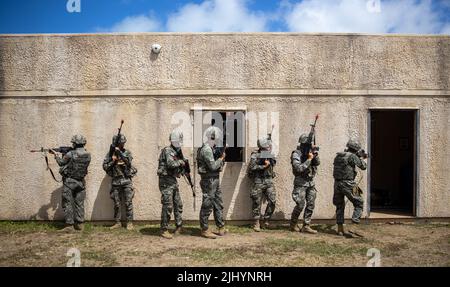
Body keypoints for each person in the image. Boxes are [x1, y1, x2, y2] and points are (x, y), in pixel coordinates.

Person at [50, 134, 91, 232]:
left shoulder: (70, 154)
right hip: (81, 182)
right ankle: (80, 224)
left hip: (70, 182)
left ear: (75, 143)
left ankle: (69, 225)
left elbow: (61, 163)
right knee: (79, 203)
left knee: (67, 202)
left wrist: (56, 155)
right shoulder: (88, 154)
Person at [332, 139, 368, 236]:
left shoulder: (338, 155)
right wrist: (361, 158)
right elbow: (363, 167)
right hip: (349, 183)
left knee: (339, 206)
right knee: (360, 201)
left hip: (337, 183)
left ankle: (340, 229)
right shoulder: (353, 156)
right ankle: (354, 227)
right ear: (356, 149)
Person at [196, 126, 226, 239]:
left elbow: (217, 167)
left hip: (214, 179)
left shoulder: (212, 148)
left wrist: (220, 159)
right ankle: (204, 229)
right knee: (207, 205)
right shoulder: (206, 149)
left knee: (218, 203)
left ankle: (220, 226)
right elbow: (213, 166)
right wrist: (221, 159)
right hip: (209, 180)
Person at [103, 133, 136, 230]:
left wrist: (120, 153)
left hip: (126, 180)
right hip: (116, 181)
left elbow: (128, 163)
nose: (123, 145)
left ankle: (129, 222)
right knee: (117, 203)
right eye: (121, 143)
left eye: (123, 143)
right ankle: (117, 222)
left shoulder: (127, 152)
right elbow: (105, 167)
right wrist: (113, 161)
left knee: (128, 202)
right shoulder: (110, 154)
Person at [157, 130, 186, 239]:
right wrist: (181, 162)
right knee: (168, 206)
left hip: (172, 180)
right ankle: (164, 229)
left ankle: (179, 226)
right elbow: (170, 164)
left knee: (178, 204)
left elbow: (177, 167)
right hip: (165, 182)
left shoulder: (175, 151)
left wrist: (183, 168)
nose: (179, 144)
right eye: (178, 142)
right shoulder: (168, 151)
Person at [289, 134, 320, 234]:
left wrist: (315, 155)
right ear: (302, 144)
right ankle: (293, 224)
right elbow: (298, 168)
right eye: (307, 144)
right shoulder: (296, 154)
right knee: (300, 205)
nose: (309, 146)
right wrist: (309, 159)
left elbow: (317, 163)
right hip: (300, 182)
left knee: (311, 204)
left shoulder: (310, 153)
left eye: (309, 144)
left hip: (311, 183)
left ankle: (306, 226)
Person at [247, 136, 277, 232]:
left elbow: (274, 162)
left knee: (272, 201)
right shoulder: (255, 155)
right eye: (267, 145)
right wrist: (264, 166)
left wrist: (270, 158)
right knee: (256, 202)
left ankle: (266, 221)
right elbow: (252, 167)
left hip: (268, 181)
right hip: (258, 181)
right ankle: (256, 222)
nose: (269, 146)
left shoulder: (269, 154)